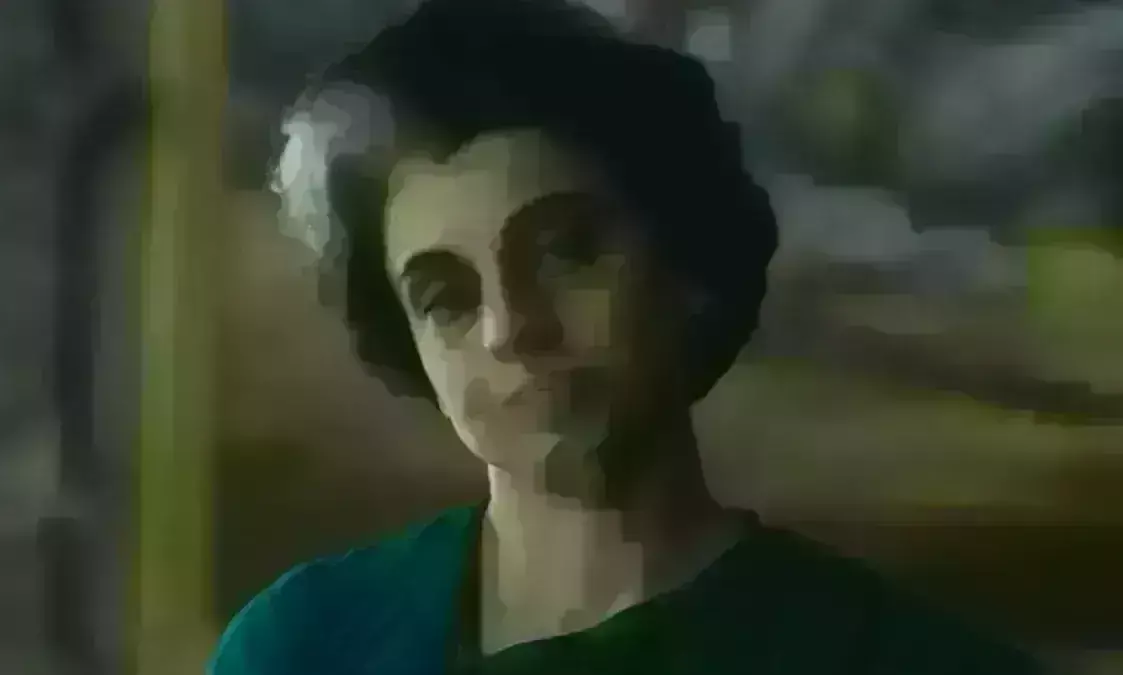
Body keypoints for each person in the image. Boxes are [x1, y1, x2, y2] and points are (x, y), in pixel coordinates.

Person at [210, 0, 1043, 673]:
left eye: (564, 253)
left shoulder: (897, 658)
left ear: (680, 264)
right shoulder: (303, 645)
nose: (511, 327)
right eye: (446, 298)